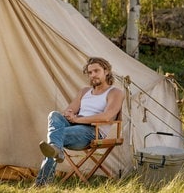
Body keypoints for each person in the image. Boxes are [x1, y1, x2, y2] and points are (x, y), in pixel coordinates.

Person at [35, 57, 125, 186]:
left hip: (92, 131)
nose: (93, 75)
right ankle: (56, 150)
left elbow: (107, 117)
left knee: (55, 138)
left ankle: (42, 183)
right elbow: (68, 111)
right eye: (90, 72)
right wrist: (70, 114)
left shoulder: (115, 92)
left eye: (96, 71)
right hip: (74, 126)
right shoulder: (85, 91)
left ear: (106, 71)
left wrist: (78, 119)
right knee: (54, 115)